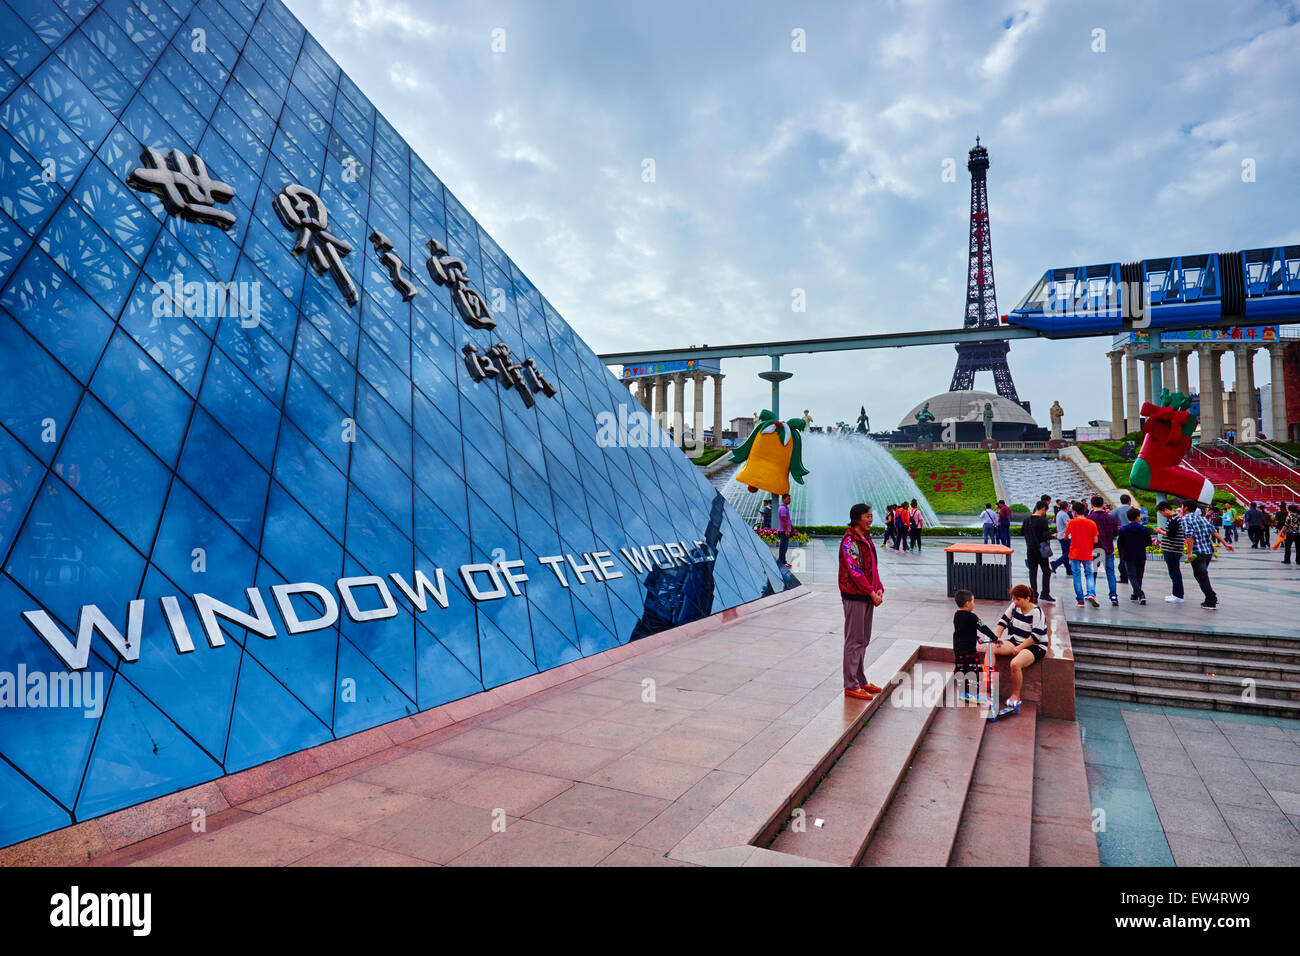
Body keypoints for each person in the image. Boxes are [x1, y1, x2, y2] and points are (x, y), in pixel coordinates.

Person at [839, 503, 884, 700]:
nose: (870, 519)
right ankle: (850, 684)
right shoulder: (850, 541)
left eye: (871, 516)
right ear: (857, 518)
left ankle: (860, 680)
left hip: (867, 594)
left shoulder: (866, 538)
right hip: (855, 595)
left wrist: (879, 586)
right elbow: (854, 571)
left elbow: (872, 566)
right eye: (867, 516)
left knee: (863, 639)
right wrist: (871, 592)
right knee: (854, 640)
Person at [985, 584, 1049, 707]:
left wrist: (1019, 648)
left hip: (1035, 646)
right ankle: (988, 683)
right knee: (990, 648)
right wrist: (997, 637)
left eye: (1018, 599)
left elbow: (1036, 636)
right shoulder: (1014, 606)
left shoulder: (1037, 612)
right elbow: (1003, 621)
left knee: (1015, 663)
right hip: (1016, 640)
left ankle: (1016, 695)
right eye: (1013, 599)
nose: (1015, 602)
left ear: (1027, 598)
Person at [1182, 499, 1234, 610]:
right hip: (1208, 552)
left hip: (1198, 553)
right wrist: (1225, 544)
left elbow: (1189, 537)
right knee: (1202, 575)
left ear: (1185, 508)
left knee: (1201, 576)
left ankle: (1211, 599)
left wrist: (1189, 553)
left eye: (1182, 506)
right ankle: (1209, 598)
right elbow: (1214, 531)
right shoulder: (1202, 518)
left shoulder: (1186, 519)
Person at [952, 588, 997, 677]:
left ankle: (963, 688)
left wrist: (976, 638)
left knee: (961, 669)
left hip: (958, 649)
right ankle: (971, 689)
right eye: (973, 601)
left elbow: (962, 631)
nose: (974, 604)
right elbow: (983, 627)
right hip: (969, 651)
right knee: (974, 672)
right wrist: (994, 638)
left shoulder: (957, 615)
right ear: (967, 603)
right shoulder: (972, 616)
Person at [1087, 495, 1121, 606]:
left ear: (1092, 505)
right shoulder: (1110, 517)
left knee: (1093, 573)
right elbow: (1116, 533)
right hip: (1108, 549)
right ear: (1103, 505)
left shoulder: (1090, 518)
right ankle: (1113, 596)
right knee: (1111, 573)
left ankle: (1091, 594)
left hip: (1095, 549)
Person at [1116, 507, 1153, 604]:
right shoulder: (1143, 528)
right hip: (1140, 554)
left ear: (1128, 518)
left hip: (1128, 555)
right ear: (1138, 517)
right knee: (1139, 576)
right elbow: (1149, 542)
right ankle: (1135, 594)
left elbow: (1120, 543)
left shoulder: (1123, 529)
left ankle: (1140, 594)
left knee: (1132, 576)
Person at [1066, 501, 1100, 607]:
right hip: (1087, 553)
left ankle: (1080, 600)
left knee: (1077, 576)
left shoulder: (1071, 522)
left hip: (1074, 553)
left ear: (1074, 512)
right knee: (1089, 574)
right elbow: (1095, 540)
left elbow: (1065, 536)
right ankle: (1091, 594)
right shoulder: (1092, 523)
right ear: (1085, 511)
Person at [1021, 500, 1054, 604]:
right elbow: (1045, 535)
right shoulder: (1043, 520)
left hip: (1030, 549)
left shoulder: (1027, 519)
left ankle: (1034, 594)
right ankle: (1045, 593)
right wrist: (1053, 536)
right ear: (1043, 509)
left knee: (1033, 571)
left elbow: (1022, 532)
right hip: (1041, 549)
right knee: (1046, 571)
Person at [1153, 500, 1185, 602]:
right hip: (1171, 549)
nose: (1162, 515)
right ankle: (1176, 594)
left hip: (1173, 549)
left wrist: (1160, 531)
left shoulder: (1175, 519)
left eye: (1161, 513)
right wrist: (1163, 530)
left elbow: (1171, 534)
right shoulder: (1172, 519)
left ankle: (1178, 595)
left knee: (1174, 572)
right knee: (1174, 572)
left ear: (1166, 510)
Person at [1111, 494, 1132, 586]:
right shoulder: (1133, 510)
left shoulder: (1116, 510)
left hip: (1122, 536)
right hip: (1133, 536)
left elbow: (1111, 520)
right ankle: (1133, 576)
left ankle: (1124, 578)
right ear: (1129, 501)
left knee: (1122, 558)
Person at [1051, 501, 1072, 571]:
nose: (1069, 507)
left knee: (1065, 553)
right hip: (1065, 536)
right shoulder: (1064, 515)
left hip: (1061, 535)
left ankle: (1068, 570)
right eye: (1068, 506)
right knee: (1069, 553)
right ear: (1066, 507)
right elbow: (1068, 525)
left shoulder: (1059, 513)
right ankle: (1055, 563)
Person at [777, 493, 792, 567]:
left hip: (785, 530)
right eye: (788, 499)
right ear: (783, 499)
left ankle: (783, 561)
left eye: (790, 499)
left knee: (784, 547)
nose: (790, 500)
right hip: (783, 531)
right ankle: (782, 562)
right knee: (783, 547)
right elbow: (784, 520)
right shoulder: (782, 508)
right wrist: (786, 530)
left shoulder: (785, 507)